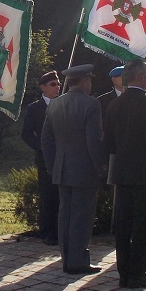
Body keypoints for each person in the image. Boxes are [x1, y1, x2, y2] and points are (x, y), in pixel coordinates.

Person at [103, 59, 146, 288]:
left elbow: (109, 144)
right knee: (141, 227)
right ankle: (138, 274)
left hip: (121, 174)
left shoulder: (114, 105)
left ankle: (123, 274)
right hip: (145, 176)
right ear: (141, 77)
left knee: (123, 227)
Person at [41, 64, 106, 274]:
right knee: (81, 217)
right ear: (85, 81)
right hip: (84, 170)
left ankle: (67, 259)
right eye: (90, 80)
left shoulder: (54, 104)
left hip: (62, 169)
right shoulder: (91, 104)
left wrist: (52, 166)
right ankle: (78, 261)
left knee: (65, 216)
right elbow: (93, 141)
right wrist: (100, 167)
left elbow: (46, 140)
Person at [20, 70, 61, 245]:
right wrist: (41, 146)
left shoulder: (64, 103)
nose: (57, 87)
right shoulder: (35, 108)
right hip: (45, 159)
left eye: (58, 84)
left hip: (64, 157)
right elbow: (26, 133)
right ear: (43, 87)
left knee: (62, 196)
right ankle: (48, 232)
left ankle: (61, 230)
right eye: (53, 84)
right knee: (48, 196)